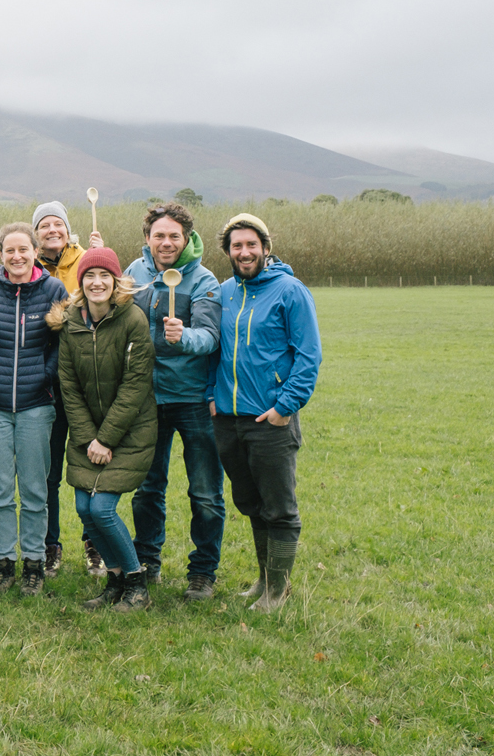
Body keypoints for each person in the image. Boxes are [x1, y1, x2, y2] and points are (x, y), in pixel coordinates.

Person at [210, 213, 322, 613]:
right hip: (228, 419)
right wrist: (211, 395)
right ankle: (263, 581)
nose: (244, 252)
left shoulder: (291, 291)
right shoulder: (224, 292)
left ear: (266, 248)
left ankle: (279, 591)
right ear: (228, 252)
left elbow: (309, 355)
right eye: (236, 246)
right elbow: (214, 349)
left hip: (270, 420)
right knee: (250, 503)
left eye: (251, 245)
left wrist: (284, 408)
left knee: (280, 508)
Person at [46, 248, 159, 613]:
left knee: (104, 509)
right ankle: (115, 580)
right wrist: (88, 437)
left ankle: (137, 583)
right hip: (87, 432)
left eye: (104, 277)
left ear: (115, 282)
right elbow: (69, 386)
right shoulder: (71, 324)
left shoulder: (133, 320)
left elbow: (135, 385)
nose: (97, 283)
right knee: (83, 506)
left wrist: (106, 439)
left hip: (129, 430)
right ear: (81, 283)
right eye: (90, 276)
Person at [125, 203, 225, 601]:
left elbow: (210, 337)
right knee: (147, 488)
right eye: (159, 235)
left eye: (174, 236)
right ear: (147, 238)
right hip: (147, 398)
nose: (166, 243)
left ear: (186, 239)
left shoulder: (203, 280)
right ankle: (146, 563)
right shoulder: (135, 273)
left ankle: (202, 572)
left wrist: (183, 336)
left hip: (195, 399)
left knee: (204, 492)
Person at [0, 222, 68, 596]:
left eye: (23, 250)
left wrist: (46, 375)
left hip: (36, 406)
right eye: (9, 251)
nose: (17, 257)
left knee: (34, 489)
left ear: (34, 250)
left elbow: (62, 343)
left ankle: (33, 566)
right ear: (1, 254)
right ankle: (3, 565)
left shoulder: (54, 289)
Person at [32, 200, 103, 579]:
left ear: (68, 228)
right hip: (47, 384)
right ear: (36, 234)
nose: (52, 230)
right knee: (47, 473)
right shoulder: (28, 267)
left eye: (57, 223)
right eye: (44, 225)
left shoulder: (87, 260)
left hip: (88, 383)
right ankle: (49, 546)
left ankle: (95, 545)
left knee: (89, 467)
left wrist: (103, 258)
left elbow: (107, 297)